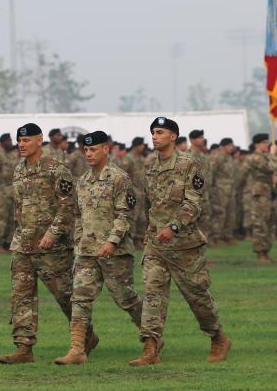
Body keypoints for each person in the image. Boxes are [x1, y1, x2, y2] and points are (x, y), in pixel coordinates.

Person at [130, 117, 231, 366]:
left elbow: (194, 203)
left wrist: (174, 227)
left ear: (173, 136)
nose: (154, 136)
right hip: (156, 244)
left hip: (184, 244)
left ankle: (218, 337)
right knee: (152, 294)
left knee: (197, 296)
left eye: (160, 132)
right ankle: (150, 347)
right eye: (153, 132)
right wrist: (150, 234)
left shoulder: (188, 164)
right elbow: (150, 206)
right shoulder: (150, 167)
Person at [0, 123, 96, 364]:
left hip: (52, 247)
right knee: (21, 297)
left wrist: (52, 234)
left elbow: (68, 206)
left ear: (39, 140)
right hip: (23, 244)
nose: (21, 145)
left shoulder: (56, 169)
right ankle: (23, 347)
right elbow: (19, 208)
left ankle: (86, 336)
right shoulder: (19, 169)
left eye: (26, 140)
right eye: (19, 141)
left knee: (65, 296)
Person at [56, 131, 142, 365]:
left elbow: (125, 215)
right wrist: (78, 242)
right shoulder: (83, 181)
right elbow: (77, 216)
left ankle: (151, 336)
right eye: (86, 150)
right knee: (79, 298)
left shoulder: (119, 178)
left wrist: (112, 241)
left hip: (114, 251)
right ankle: (77, 350)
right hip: (87, 251)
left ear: (106, 149)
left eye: (93, 149)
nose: (89, 154)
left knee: (126, 298)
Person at [245, 133, 277, 264]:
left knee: (269, 223)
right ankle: (260, 254)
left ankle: (266, 252)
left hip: (268, 192)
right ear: (257, 144)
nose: (267, 144)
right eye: (264, 142)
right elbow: (271, 167)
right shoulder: (255, 157)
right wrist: (273, 155)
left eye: (267, 142)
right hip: (260, 194)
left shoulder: (265, 156)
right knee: (260, 224)